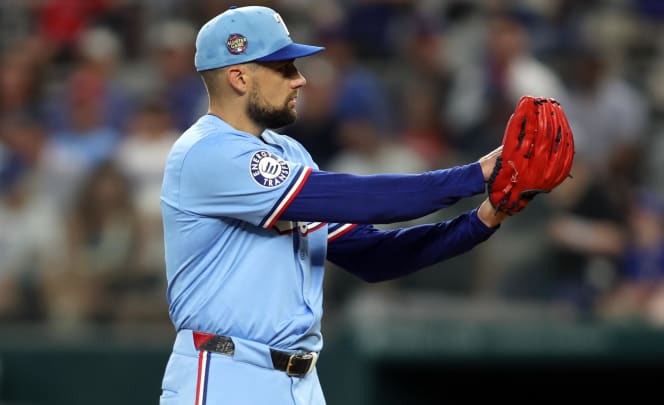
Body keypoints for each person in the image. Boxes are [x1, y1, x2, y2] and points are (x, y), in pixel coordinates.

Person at [159, 6, 510, 405]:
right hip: (225, 376)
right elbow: (362, 199)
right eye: (284, 67)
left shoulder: (289, 152)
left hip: (301, 382)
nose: (300, 79)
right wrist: (477, 173)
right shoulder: (207, 152)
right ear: (239, 77)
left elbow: (374, 257)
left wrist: (482, 219)